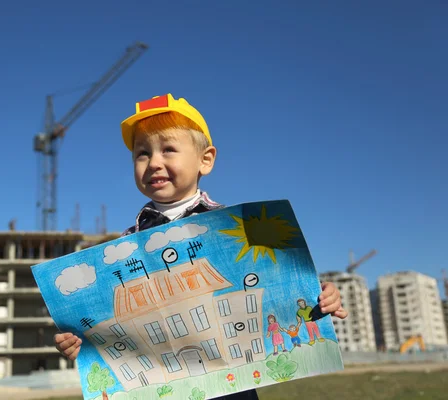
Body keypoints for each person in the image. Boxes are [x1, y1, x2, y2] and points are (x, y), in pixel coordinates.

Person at [54, 94, 348, 400]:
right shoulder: (120, 252)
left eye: (168, 149)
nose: (154, 162)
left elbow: (284, 288)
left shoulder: (239, 230)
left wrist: (322, 297)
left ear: (205, 160)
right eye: (142, 153)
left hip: (231, 389)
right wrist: (78, 341)